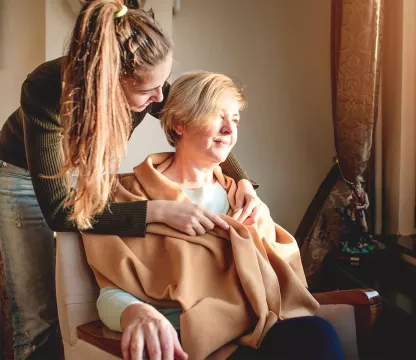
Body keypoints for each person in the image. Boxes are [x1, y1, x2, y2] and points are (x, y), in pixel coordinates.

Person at [0, 1, 261, 358]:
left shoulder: (146, 80)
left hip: (88, 170)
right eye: (146, 93)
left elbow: (195, 119)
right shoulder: (44, 91)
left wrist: (241, 179)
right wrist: (157, 211)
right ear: (107, 82)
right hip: (24, 177)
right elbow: (61, 212)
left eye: (161, 86)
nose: (159, 100)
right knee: (38, 315)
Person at [89, 71, 345, 360]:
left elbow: (276, 278)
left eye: (235, 119)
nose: (229, 130)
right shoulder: (132, 196)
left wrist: (259, 226)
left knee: (317, 334)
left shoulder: (240, 197)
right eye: (216, 115)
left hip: (255, 326)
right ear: (180, 124)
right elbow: (111, 292)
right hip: (187, 338)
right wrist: (136, 313)